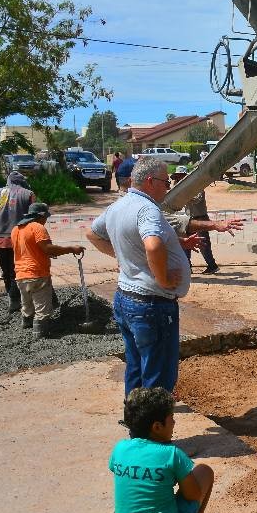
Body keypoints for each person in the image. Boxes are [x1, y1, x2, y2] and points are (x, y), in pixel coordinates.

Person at [87, 156, 192, 395]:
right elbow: (153, 246)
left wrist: (124, 259)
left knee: (135, 365)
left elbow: (92, 234)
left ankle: (134, 419)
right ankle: (152, 428)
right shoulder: (147, 210)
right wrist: (163, 279)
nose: (168, 187)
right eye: (166, 182)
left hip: (126, 299)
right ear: (149, 181)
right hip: (152, 304)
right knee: (158, 374)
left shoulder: (118, 206)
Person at [110, 387, 215, 513]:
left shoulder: (120, 448)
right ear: (157, 427)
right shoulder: (171, 454)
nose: (174, 422)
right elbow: (193, 495)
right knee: (204, 471)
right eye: (171, 418)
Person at [11, 202, 86, 338]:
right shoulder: (37, 227)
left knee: (27, 305)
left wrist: (48, 253)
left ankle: (27, 323)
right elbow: (47, 248)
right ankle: (40, 334)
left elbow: (29, 249)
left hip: (20, 274)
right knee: (42, 308)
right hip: (37, 274)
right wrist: (71, 249)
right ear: (41, 216)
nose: (46, 220)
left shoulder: (16, 229)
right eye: (46, 217)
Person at [0, 171, 36, 312]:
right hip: (21, 241)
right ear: (22, 181)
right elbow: (36, 219)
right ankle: (21, 302)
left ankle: (13, 300)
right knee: (21, 271)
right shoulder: (28, 194)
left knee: (7, 272)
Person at [170, 165, 219, 274]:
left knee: (203, 245)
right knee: (186, 244)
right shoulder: (182, 189)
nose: (179, 179)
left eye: (181, 177)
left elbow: (198, 199)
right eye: (178, 177)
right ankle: (187, 266)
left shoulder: (197, 186)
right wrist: (176, 187)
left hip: (200, 218)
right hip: (189, 220)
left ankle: (212, 265)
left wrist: (184, 194)